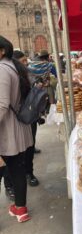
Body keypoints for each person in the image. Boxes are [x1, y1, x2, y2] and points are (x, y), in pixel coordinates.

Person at [0, 36, 33, 222]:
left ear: (2, 50)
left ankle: (20, 208)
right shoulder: (14, 67)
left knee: (13, 169)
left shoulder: (2, 70)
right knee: (17, 169)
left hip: (7, 130)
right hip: (16, 127)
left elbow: (2, 104)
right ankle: (20, 209)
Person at [13, 50, 41, 186]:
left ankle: (29, 173)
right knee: (16, 151)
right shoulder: (9, 75)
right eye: (22, 61)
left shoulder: (28, 73)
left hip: (30, 116)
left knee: (30, 146)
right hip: (14, 119)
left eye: (26, 60)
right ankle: (13, 182)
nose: (26, 63)